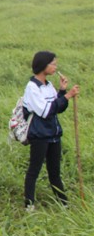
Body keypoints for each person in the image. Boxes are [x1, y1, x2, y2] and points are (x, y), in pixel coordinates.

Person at [22, 51, 80, 210]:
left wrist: (62, 91)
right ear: (43, 65)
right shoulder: (32, 88)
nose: (56, 67)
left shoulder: (48, 86)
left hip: (54, 134)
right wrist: (68, 95)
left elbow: (57, 107)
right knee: (34, 170)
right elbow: (46, 111)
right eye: (53, 64)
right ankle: (29, 205)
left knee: (55, 172)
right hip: (40, 135)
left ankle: (64, 205)